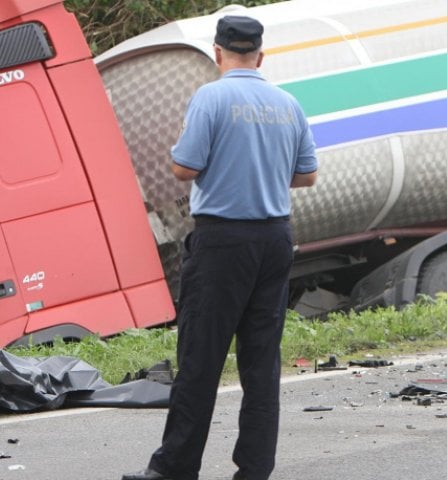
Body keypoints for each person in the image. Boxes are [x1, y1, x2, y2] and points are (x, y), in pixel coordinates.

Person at [121, 15, 318, 480]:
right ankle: (253, 471)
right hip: (274, 238)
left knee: (200, 358)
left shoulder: (211, 97)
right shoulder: (287, 103)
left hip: (223, 240)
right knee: (261, 361)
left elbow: (183, 169)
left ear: (217, 53)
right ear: (261, 56)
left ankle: (175, 469)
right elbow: (307, 175)